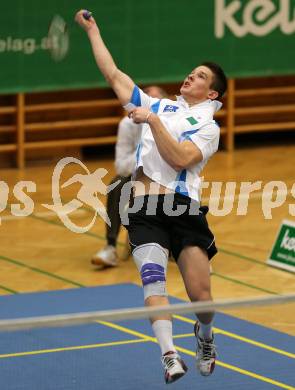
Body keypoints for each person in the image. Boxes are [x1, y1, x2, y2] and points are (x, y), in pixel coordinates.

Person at [75, 10, 227, 384]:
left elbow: (180, 158)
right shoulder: (160, 104)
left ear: (212, 93)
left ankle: (204, 336)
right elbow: (113, 74)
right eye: (192, 71)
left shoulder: (208, 128)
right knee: (153, 280)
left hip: (182, 209)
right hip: (143, 209)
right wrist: (93, 30)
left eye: (201, 75)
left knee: (200, 297)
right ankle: (169, 355)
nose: (191, 75)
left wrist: (152, 121)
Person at [91, 86, 167, 267]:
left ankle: (192, 247)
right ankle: (110, 247)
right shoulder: (128, 124)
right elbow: (122, 166)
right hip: (137, 178)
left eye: (157, 101)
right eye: (148, 100)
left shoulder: (172, 124)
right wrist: (146, 146)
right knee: (117, 184)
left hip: (167, 178)